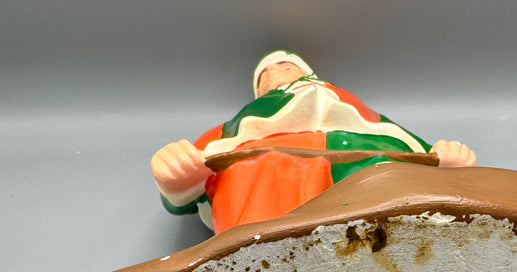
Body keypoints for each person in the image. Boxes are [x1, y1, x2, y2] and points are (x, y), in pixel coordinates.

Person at [151, 51, 477, 234]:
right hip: (267, 169)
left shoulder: (356, 110)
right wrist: (179, 176)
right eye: (264, 75)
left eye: (285, 66)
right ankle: (260, 257)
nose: (274, 73)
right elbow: (197, 170)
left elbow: (398, 137)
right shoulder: (235, 128)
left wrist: (438, 160)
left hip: (362, 154)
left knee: (386, 175)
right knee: (258, 170)